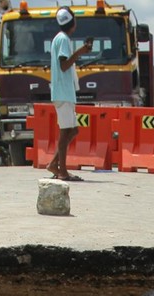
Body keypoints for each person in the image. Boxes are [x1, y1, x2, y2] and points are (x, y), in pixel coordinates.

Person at [46, 7, 92, 182]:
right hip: (63, 92)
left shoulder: (59, 38)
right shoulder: (64, 39)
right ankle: (62, 171)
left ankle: (54, 164)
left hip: (64, 92)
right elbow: (64, 65)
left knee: (73, 130)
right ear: (72, 22)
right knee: (66, 132)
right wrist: (80, 52)